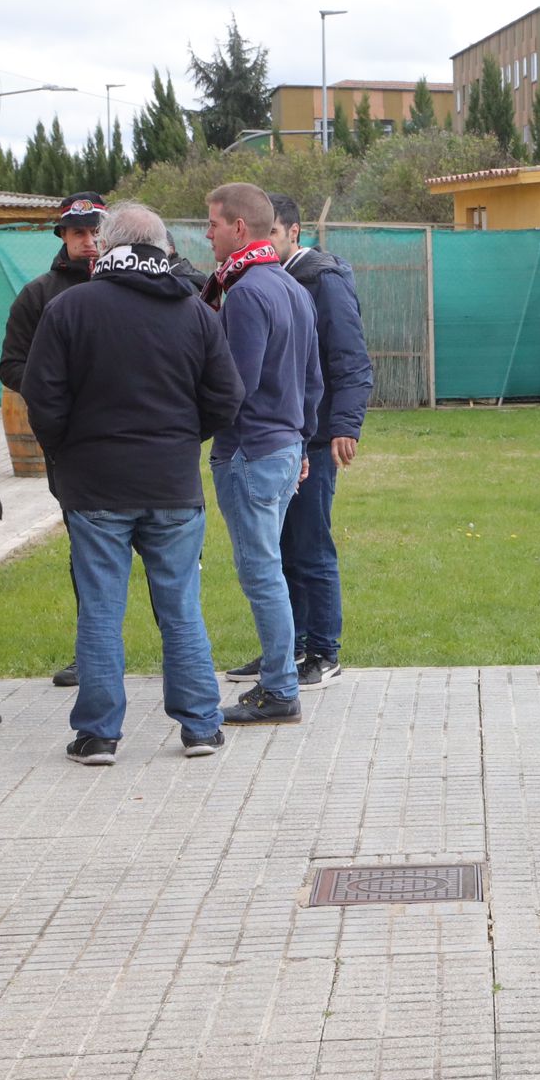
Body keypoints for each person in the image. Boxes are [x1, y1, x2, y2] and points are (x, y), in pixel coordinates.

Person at [17, 203, 245, 764]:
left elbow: (41, 397)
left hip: (94, 488)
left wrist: (67, 451)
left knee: (99, 609)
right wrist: (181, 440)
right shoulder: (194, 311)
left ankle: (98, 734)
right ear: (162, 248)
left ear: (108, 242)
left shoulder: (70, 308)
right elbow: (227, 397)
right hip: (171, 485)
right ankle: (200, 727)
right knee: (181, 607)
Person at [224, 194, 374, 688]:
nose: (263, 245)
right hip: (280, 433)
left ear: (292, 232)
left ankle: (324, 650)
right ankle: (284, 650)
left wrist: (344, 425)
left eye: (272, 235)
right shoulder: (260, 281)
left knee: (310, 545)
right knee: (279, 549)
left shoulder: (321, 279)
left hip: (309, 433)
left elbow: (348, 359)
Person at [204, 182, 323, 722]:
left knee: (262, 574)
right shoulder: (292, 286)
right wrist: (301, 440)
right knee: (269, 569)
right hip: (282, 447)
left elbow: (237, 385)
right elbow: (312, 381)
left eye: (212, 224)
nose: (207, 234)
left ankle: (279, 691)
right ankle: (280, 684)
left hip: (250, 452)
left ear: (239, 229)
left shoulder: (248, 292)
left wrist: (195, 427)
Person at [0, 192, 106, 690]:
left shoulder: (146, 283)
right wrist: (61, 394)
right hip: (73, 446)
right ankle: (92, 655)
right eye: (78, 231)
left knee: (164, 557)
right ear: (62, 235)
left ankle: (181, 657)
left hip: (145, 446)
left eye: (95, 229)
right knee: (86, 550)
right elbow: (11, 364)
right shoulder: (39, 295)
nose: (88, 240)